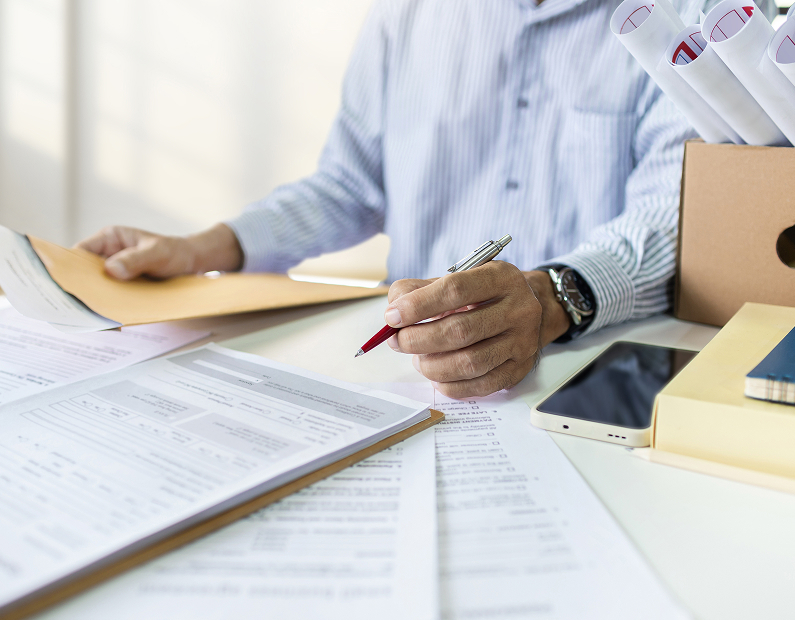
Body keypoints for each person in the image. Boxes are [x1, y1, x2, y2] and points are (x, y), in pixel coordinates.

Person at [78, 0, 758, 399]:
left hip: (606, 380)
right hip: (410, 371)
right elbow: (350, 184)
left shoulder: (694, 20)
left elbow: (674, 215)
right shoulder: (405, 14)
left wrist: (550, 298)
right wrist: (205, 248)